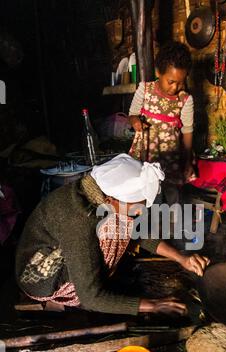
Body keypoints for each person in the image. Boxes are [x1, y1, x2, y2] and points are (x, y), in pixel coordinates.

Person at [15, 154, 209, 316]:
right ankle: (69, 294)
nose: (141, 212)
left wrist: (181, 258)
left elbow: (136, 231)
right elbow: (90, 298)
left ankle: (98, 276)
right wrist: (153, 305)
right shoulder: (78, 221)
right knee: (116, 229)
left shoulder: (95, 194)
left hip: (64, 247)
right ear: (110, 200)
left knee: (123, 222)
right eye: (138, 206)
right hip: (40, 277)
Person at [128, 41, 194, 205]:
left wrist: (187, 161)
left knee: (171, 192)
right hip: (145, 152)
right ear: (158, 72)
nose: (175, 87)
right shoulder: (144, 89)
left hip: (170, 155)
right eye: (171, 81)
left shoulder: (185, 99)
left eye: (180, 82)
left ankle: (172, 225)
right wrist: (135, 121)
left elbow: (187, 130)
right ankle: (148, 223)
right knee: (146, 191)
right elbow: (132, 114)